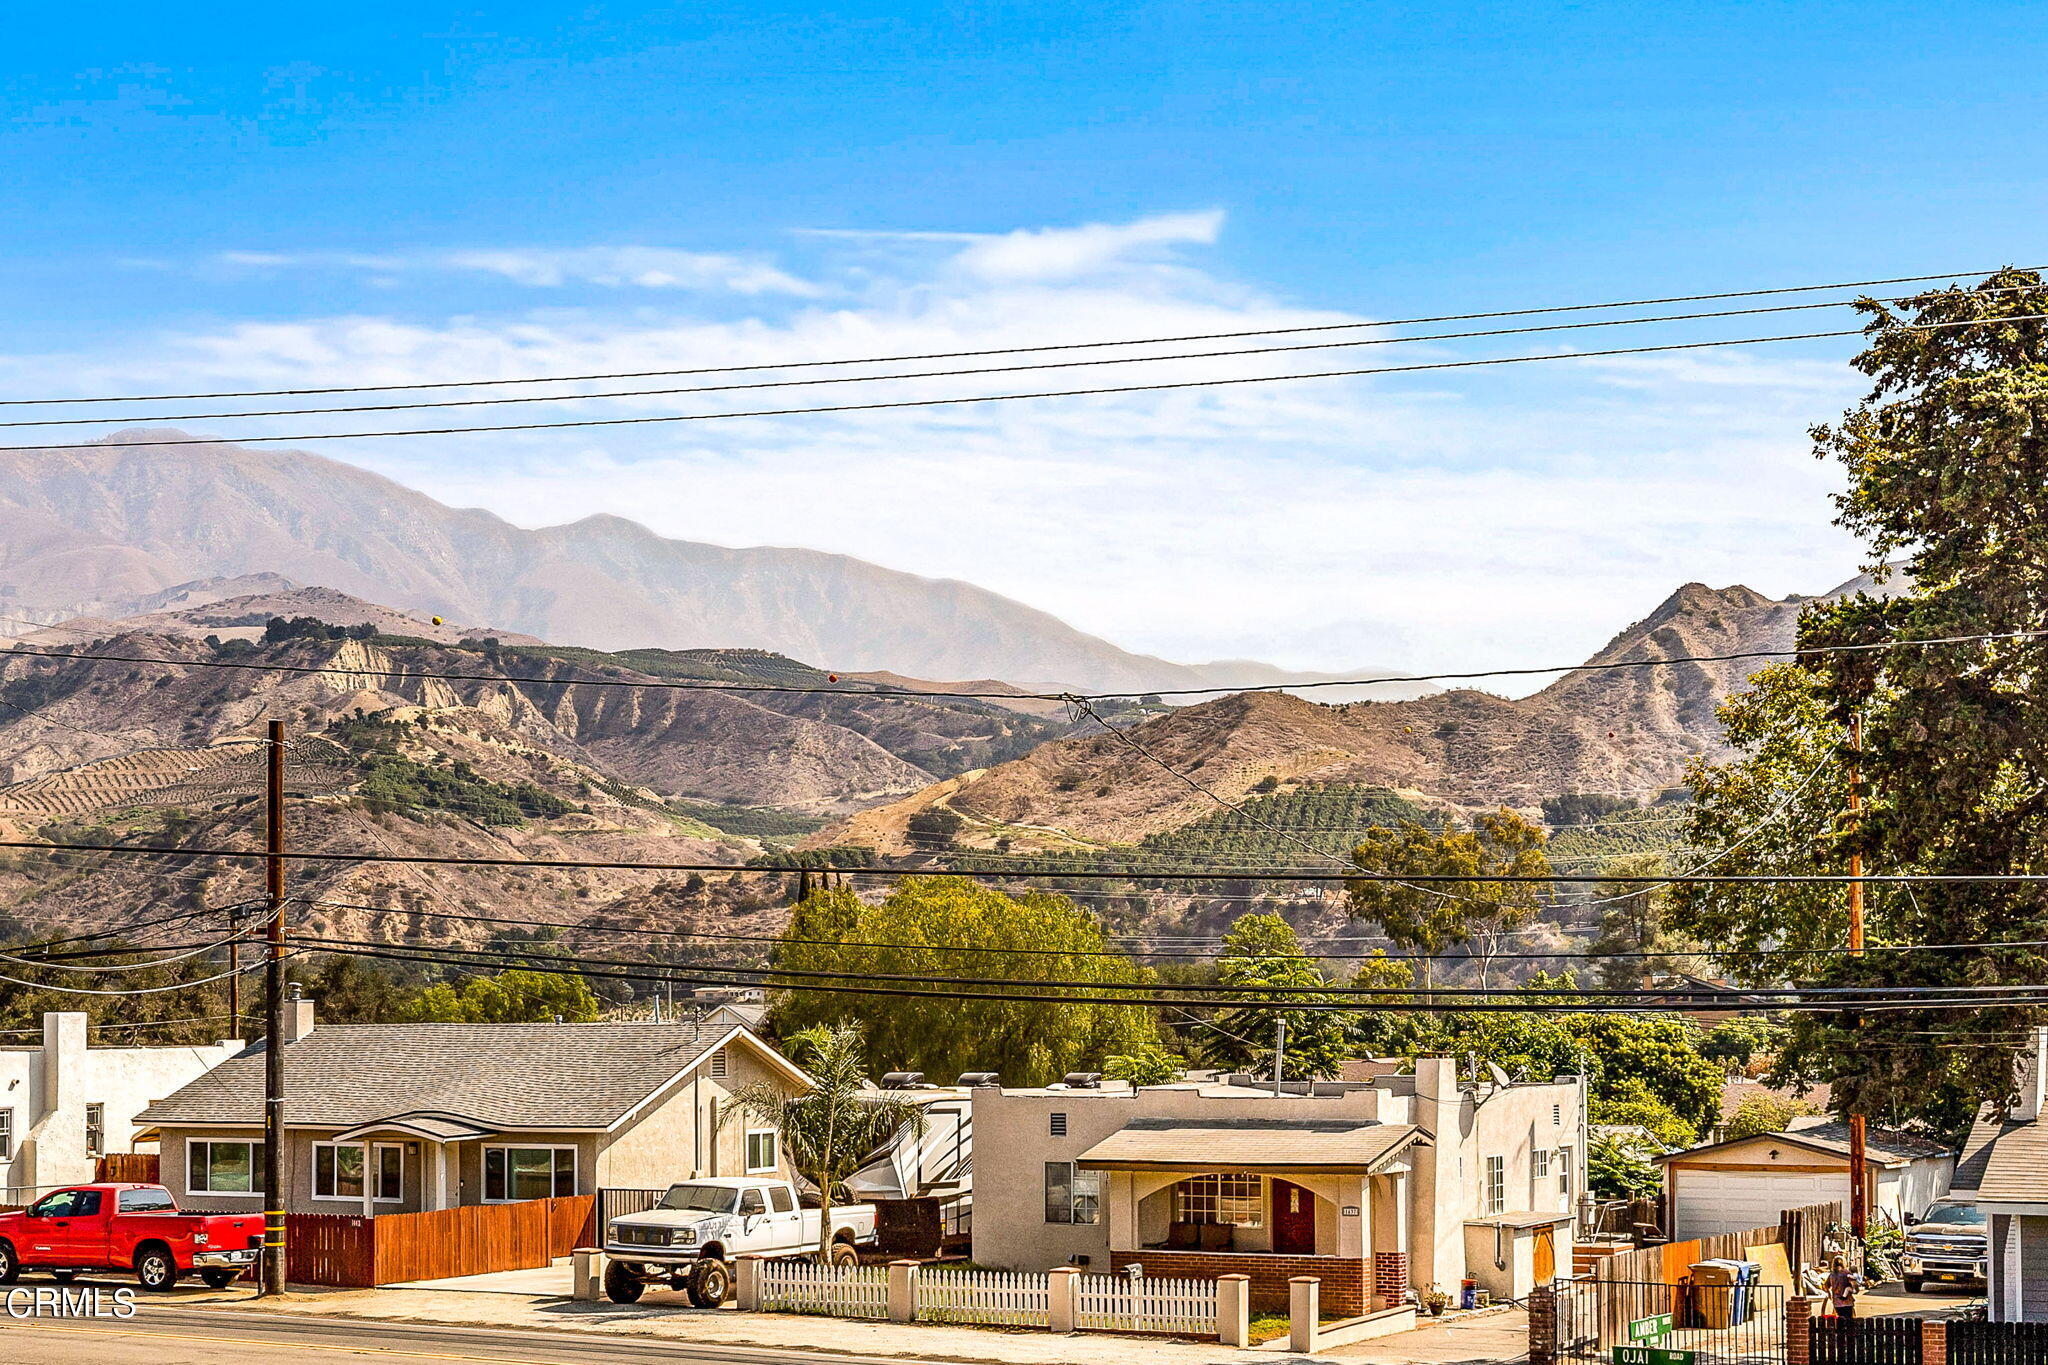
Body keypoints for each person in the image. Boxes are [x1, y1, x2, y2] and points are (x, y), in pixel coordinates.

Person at [1825, 1256, 1860, 1321]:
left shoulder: (1832, 1275)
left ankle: (1840, 1330)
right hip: (1847, 1302)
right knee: (1849, 1321)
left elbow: (1826, 1285)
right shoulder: (1847, 1273)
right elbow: (1855, 1286)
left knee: (1839, 1320)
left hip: (1837, 1302)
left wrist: (1829, 1294)